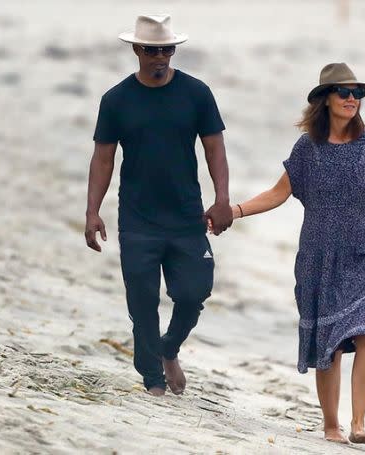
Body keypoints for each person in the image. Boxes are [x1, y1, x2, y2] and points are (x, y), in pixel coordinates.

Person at [218, 63, 365, 444]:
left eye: (357, 93)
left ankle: (359, 423)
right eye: (344, 92)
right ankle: (331, 425)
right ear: (325, 99)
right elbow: (278, 192)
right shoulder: (308, 149)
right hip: (318, 258)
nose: (352, 98)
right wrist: (235, 211)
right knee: (328, 343)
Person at [85, 14, 233, 397]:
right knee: (143, 302)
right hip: (137, 219)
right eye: (152, 50)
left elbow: (214, 147)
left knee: (193, 292)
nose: (160, 57)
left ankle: (169, 348)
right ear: (137, 50)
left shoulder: (196, 93)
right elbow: (103, 158)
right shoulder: (116, 100)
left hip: (187, 216)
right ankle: (152, 378)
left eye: (166, 49)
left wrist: (222, 199)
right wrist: (91, 211)